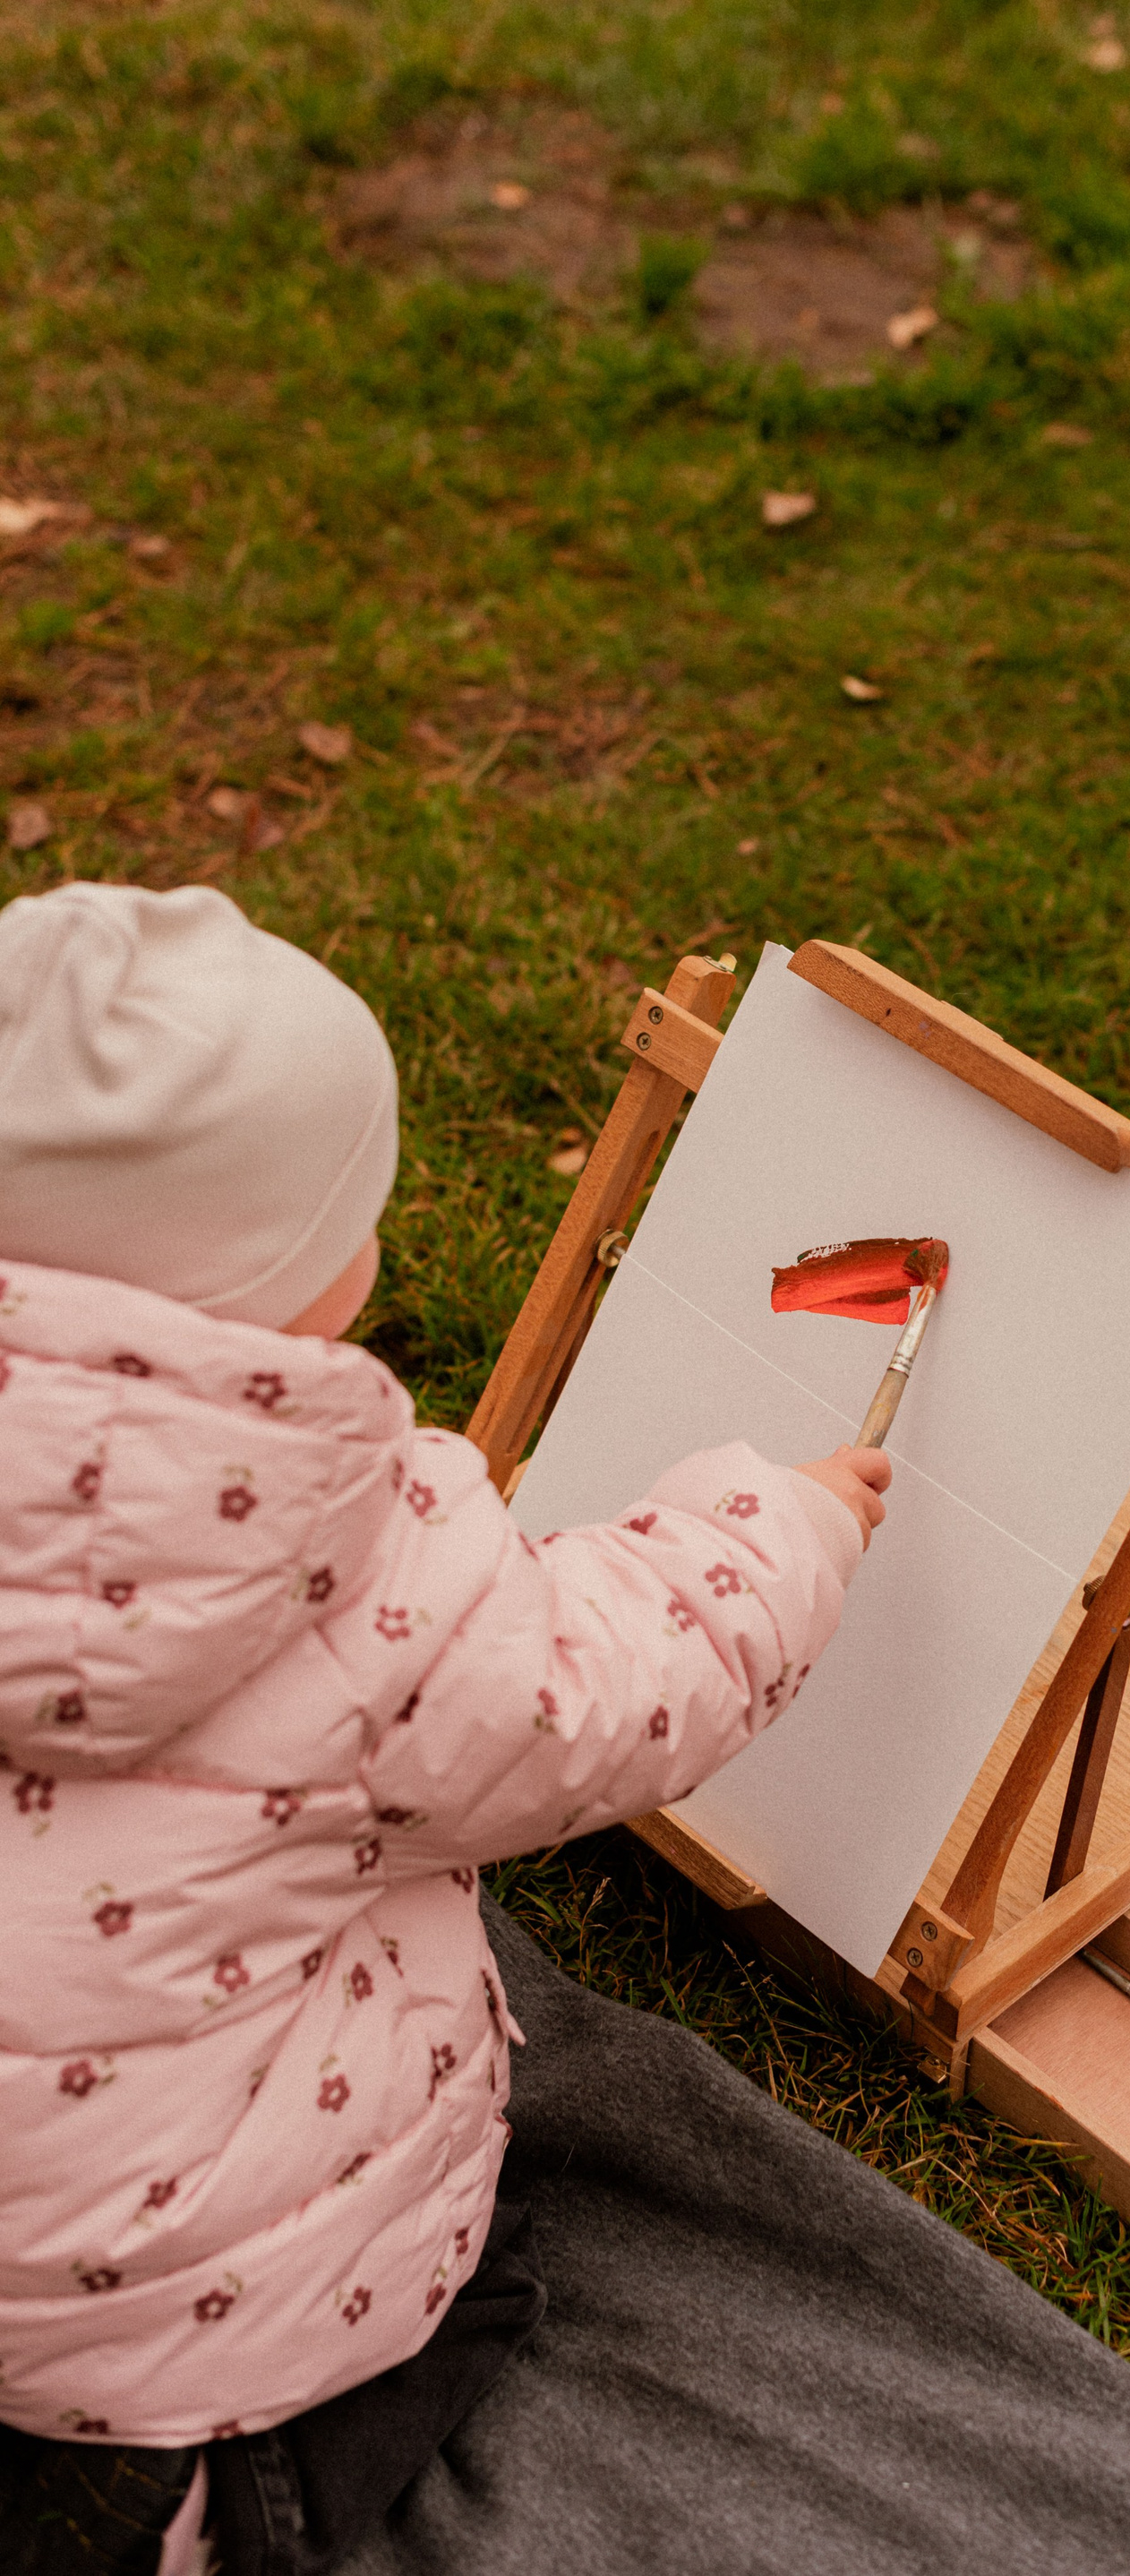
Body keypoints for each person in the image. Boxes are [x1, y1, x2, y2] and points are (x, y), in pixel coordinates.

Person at [0, 881, 889, 2573]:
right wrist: (786, 1526)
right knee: (481, 2287)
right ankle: (193, 2505)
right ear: (274, 1284)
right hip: (162, 2319)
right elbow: (610, 1681)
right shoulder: (346, 1572)